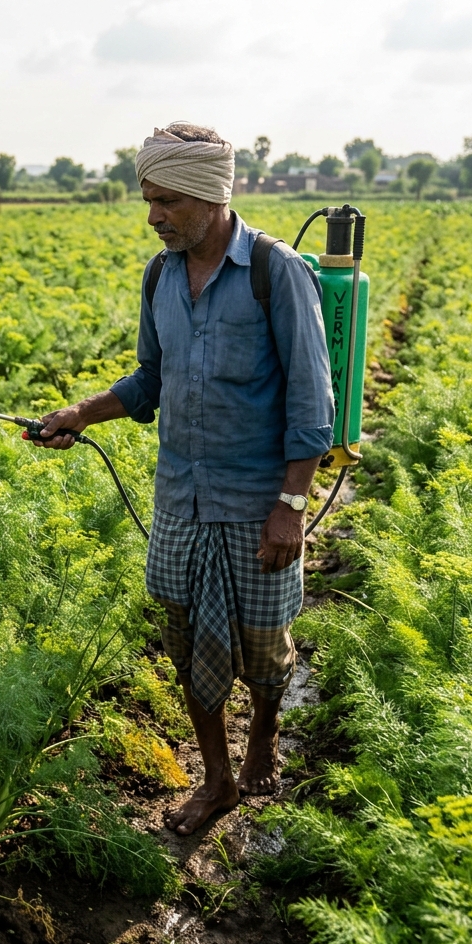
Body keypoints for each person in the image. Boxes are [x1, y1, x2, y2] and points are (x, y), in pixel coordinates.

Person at [29, 122, 334, 836]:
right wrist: (81, 413)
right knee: (186, 640)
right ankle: (218, 780)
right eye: (149, 200)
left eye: (167, 201)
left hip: (257, 503)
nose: (154, 216)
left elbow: (312, 402)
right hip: (179, 502)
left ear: (210, 196)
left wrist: (291, 506)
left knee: (265, 646)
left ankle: (264, 728)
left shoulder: (275, 271)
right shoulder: (160, 276)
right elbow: (151, 378)